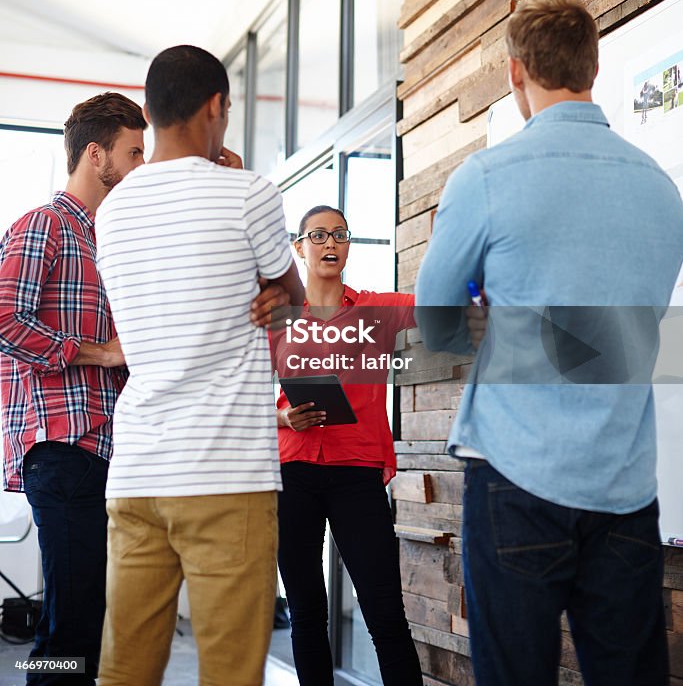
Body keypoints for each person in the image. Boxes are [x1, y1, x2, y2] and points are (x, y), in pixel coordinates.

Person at [415, 0, 683, 686]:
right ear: (592, 68)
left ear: (514, 74)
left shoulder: (487, 177)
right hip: (625, 482)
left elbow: (436, 320)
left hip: (515, 473)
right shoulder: (660, 189)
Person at [94, 44, 304, 686]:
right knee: (231, 672)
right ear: (217, 108)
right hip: (224, 472)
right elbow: (291, 298)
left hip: (136, 474)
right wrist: (272, 289)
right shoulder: (249, 194)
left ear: (152, 114)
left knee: (124, 666)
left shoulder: (111, 212)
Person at [0, 92, 147, 686]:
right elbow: (6, 319)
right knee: (67, 629)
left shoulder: (106, 239)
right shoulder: (45, 225)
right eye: (133, 152)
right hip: (60, 451)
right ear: (96, 154)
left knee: (90, 620)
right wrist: (102, 352)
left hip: (102, 453)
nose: (140, 165)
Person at [271, 204, 424, 686]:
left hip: (357, 474)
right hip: (292, 472)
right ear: (298, 247)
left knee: (384, 612)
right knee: (306, 614)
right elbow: (235, 394)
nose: (330, 243)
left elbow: (439, 304)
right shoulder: (276, 318)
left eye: (339, 234)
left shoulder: (377, 310)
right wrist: (281, 415)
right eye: (317, 235)